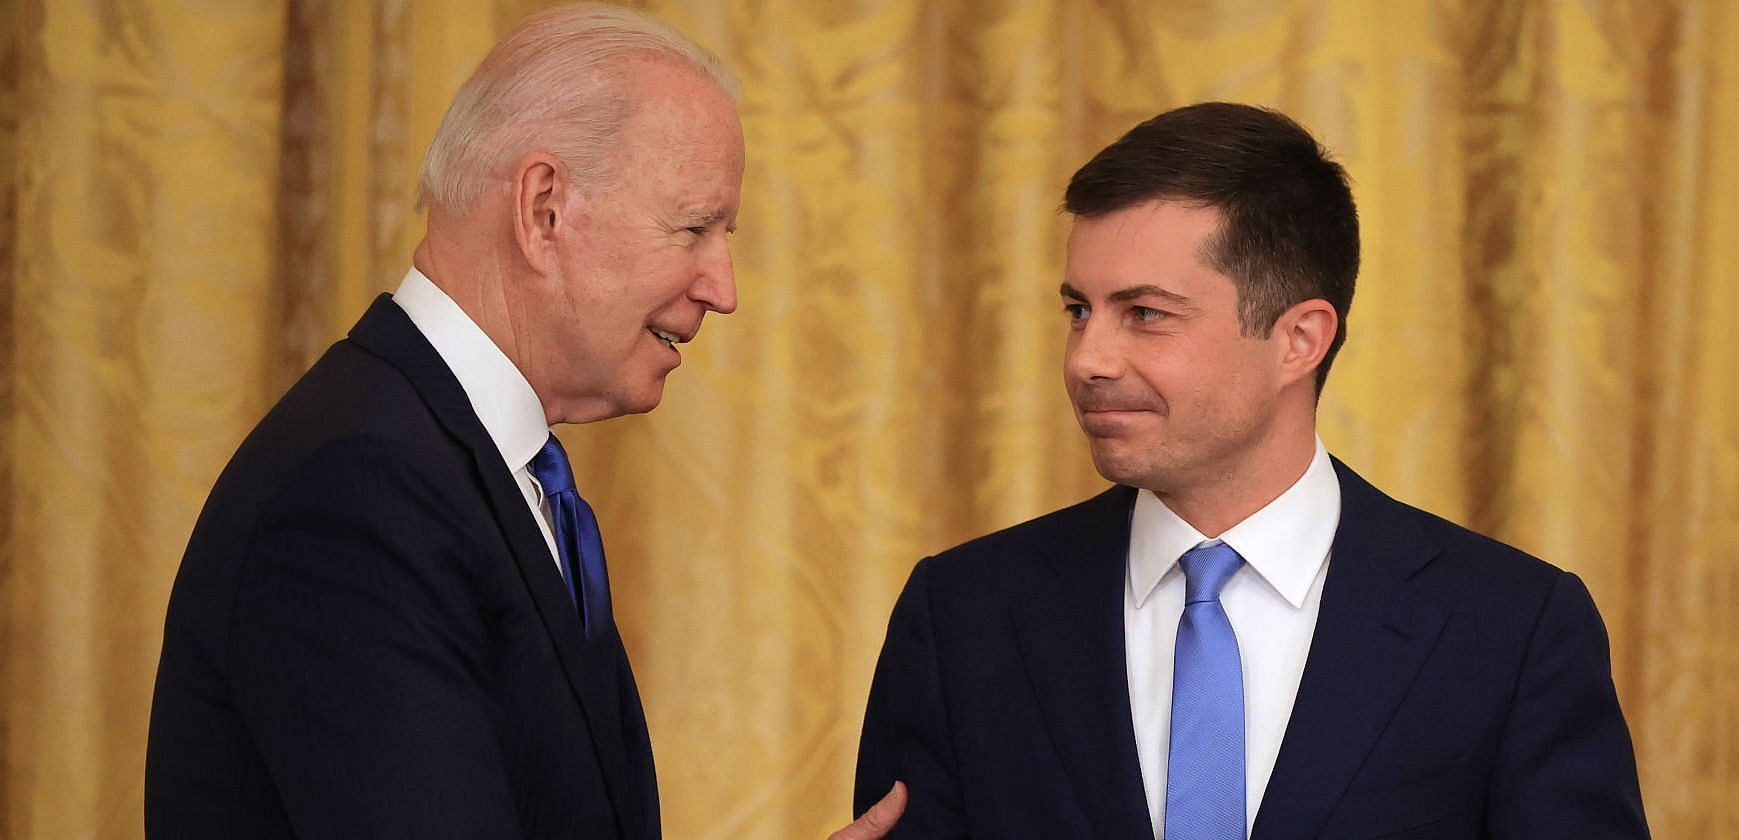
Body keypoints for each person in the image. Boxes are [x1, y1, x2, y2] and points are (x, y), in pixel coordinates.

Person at [145, 4, 903, 838]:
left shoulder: (469, 469)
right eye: (693, 229)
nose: (723, 289)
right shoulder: (361, 488)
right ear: (543, 208)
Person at [853, 102, 1648, 839]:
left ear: (1298, 340)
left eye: (1145, 314)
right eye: (1078, 311)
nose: (1087, 358)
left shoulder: (1511, 628)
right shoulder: (962, 619)